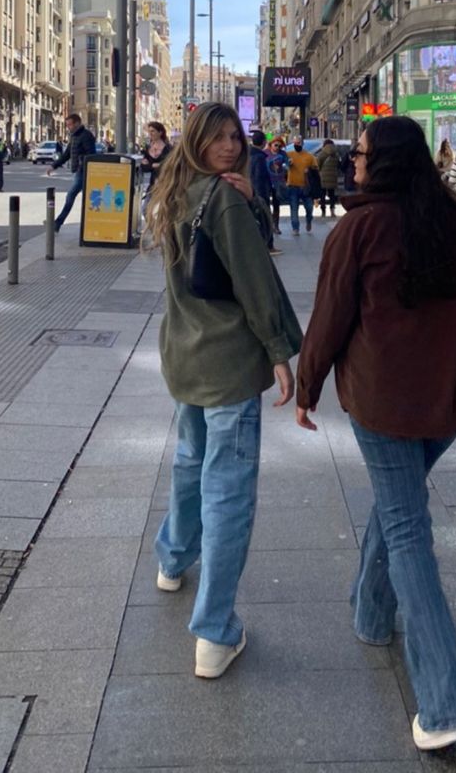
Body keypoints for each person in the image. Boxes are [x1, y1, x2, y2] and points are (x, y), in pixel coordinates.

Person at [296, 116, 456, 753]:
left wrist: (308, 386)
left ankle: (445, 701)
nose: (357, 164)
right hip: (450, 402)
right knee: (398, 508)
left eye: (363, 154)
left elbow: (329, 317)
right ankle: (372, 614)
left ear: (385, 163)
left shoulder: (358, 229)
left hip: (384, 405)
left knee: (405, 525)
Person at [145, 103, 302, 678]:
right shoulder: (224, 198)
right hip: (229, 361)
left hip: (184, 354)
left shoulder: (174, 188)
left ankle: (172, 557)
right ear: (197, 138)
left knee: (190, 462)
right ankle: (215, 632)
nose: (232, 146)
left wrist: (248, 202)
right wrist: (281, 352)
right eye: (219, 137)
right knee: (228, 488)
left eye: (236, 136)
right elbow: (255, 280)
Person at [48, 113, 96, 232]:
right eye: (67, 125)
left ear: (77, 123)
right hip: (79, 171)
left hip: (85, 171)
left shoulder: (86, 135)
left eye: (70, 124)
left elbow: (91, 154)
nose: (68, 127)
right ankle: (90, 224)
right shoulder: (74, 136)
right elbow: (67, 154)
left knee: (72, 195)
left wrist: (82, 164)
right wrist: (54, 165)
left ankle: (58, 223)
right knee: (89, 199)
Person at [249, 129, 281, 255]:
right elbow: (259, 178)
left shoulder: (248, 156)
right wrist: (263, 195)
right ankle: (268, 246)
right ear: (264, 143)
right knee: (265, 219)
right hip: (260, 193)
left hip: (249, 191)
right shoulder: (259, 158)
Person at [286, 135, 318, 235]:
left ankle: (309, 220)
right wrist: (288, 164)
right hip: (292, 185)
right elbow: (283, 166)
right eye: (295, 143)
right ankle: (295, 228)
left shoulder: (309, 156)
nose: (296, 145)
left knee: (309, 207)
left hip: (305, 186)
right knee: (294, 208)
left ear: (302, 143)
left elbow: (315, 169)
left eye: (298, 143)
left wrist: (310, 170)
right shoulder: (289, 155)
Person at [141, 122, 172, 191]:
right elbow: (144, 168)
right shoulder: (148, 148)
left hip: (166, 185)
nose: (150, 134)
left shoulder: (168, 149)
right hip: (152, 186)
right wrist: (153, 165)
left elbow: (171, 165)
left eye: (153, 131)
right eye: (149, 131)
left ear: (160, 132)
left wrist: (154, 165)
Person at [266, 138, 288, 235]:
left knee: (276, 204)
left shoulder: (282, 154)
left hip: (278, 182)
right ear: (271, 144)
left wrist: (288, 165)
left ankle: (276, 226)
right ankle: (269, 224)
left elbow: (287, 164)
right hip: (266, 181)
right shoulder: (265, 153)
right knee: (265, 203)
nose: (278, 148)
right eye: (276, 145)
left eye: (280, 146)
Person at [317, 139, 340, 217]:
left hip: (323, 177)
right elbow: (338, 165)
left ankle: (323, 211)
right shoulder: (336, 154)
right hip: (333, 177)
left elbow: (317, 165)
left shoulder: (322, 154)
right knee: (332, 195)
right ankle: (332, 211)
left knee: (322, 195)